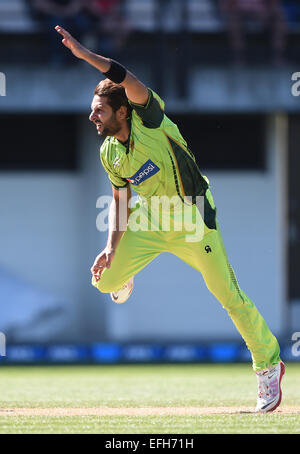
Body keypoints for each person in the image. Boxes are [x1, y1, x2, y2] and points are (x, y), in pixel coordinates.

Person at [55, 25, 285, 413]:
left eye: (100, 110)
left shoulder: (151, 120)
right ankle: (124, 272)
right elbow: (119, 198)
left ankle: (268, 364)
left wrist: (86, 56)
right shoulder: (110, 152)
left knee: (228, 296)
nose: (93, 116)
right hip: (149, 221)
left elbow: (124, 77)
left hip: (193, 217)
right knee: (104, 280)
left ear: (123, 111)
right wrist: (111, 248)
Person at [220, 0, 287, 65]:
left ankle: (277, 55)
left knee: (278, 17)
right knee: (233, 19)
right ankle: (238, 56)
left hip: (262, 11)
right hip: (238, 12)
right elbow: (225, 6)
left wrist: (266, 11)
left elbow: (274, 5)